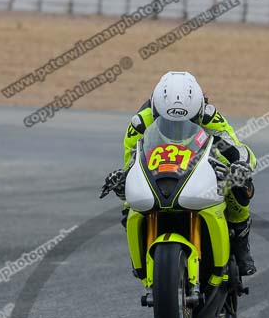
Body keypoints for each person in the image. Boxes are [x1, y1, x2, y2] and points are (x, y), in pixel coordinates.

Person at [102, 71, 257, 275]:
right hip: (160, 172)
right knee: (128, 208)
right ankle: (140, 256)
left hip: (202, 168)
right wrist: (123, 188)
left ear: (199, 112)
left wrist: (240, 165)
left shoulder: (210, 117)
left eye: (187, 121)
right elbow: (132, 165)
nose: (176, 128)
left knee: (241, 183)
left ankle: (241, 245)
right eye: (168, 122)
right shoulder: (140, 124)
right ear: (156, 111)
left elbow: (238, 149)